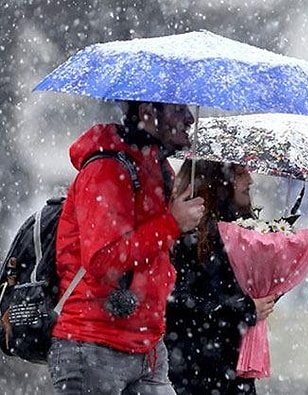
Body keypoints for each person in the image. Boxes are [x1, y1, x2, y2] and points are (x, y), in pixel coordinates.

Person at [50, 101, 206, 394]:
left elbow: (153, 253)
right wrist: (171, 225)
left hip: (147, 348)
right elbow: (102, 259)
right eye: (178, 109)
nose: (189, 118)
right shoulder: (107, 168)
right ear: (148, 111)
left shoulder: (157, 169)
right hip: (94, 347)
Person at [165, 159, 277, 395]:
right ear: (217, 180)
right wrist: (244, 310)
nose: (250, 180)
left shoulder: (243, 232)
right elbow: (176, 301)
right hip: (193, 371)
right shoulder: (187, 235)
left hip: (232, 370)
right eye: (240, 172)